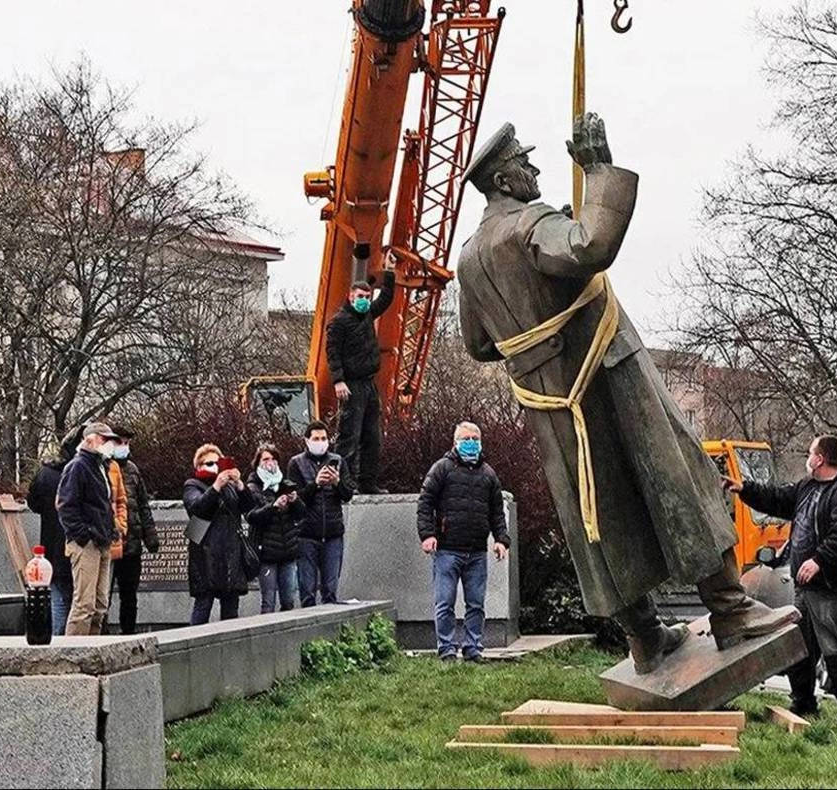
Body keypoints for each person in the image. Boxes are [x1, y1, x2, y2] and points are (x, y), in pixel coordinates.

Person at [457, 115, 794, 676]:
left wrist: (540, 347)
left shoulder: (470, 256)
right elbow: (592, 245)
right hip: (608, 374)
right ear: (503, 182)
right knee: (680, 475)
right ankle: (730, 610)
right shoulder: (529, 226)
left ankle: (645, 637)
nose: (535, 168)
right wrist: (598, 171)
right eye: (524, 161)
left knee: (595, 512)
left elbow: (478, 344)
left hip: (552, 404)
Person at [722, 435, 837, 724]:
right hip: (806, 588)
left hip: (834, 589)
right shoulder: (808, 488)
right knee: (799, 648)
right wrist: (744, 489)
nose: (808, 457)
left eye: (810, 452)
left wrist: (818, 561)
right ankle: (803, 702)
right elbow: (779, 499)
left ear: (821, 459)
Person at [416, 422, 510, 662]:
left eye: (475, 439)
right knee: (444, 602)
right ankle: (446, 649)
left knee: (476, 604)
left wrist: (502, 540)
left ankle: (473, 648)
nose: (471, 443)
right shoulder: (442, 469)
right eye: (466, 438)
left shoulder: (489, 474)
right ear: (455, 442)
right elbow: (425, 503)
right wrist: (428, 535)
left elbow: (497, 513)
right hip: (447, 550)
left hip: (477, 551)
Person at [326, 269, 395, 494]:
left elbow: (385, 300)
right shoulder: (339, 322)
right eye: (360, 297)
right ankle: (345, 484)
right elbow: (333, 353)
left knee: (372, 437)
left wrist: (390, 273)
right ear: (350, 296)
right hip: (351, 384)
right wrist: (338, 380)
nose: (365, 301)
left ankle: (368, 483)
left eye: (367, 297)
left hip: (368, 383)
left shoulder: (366, 316)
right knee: (349, 436)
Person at [56, 422, 122, 636]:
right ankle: (73, 653)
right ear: (90, 438)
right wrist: (84, 535)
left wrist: (110, 529)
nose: (108, 444)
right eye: (104, 439)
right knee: (84, 604)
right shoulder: (77, 466)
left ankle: (92, 647)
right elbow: (66, 506)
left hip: (101, 540)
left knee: (100, 604)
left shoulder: (99, 466)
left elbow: (104, 504)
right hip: (87, 543)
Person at [183, 444, 258, 624]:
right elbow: (196, 509)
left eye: (218, 462)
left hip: (230, 552)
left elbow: (250, 507)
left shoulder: (229, 487)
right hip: (205, 554)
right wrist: (216, 486)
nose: (214, 466)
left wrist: (240, 485)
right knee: (203, 604)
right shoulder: (192, 485)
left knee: (231, 606)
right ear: (199, 466)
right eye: (209, 463)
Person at [288, 422, 355, 606]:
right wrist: (316, 484)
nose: (320, 442)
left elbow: (347, 494)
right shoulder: (296, 463)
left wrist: (337, 482)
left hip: (333, 533)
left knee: (330, 589)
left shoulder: (338, 461)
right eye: (316, 439)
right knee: (307, 591)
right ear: (307, 440)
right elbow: (296, 499)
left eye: (324, 438)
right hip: (307, 534)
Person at [28, 426, 84, 635]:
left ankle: (55, 636)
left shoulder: (45, 474)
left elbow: (33, 502)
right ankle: (62, 638)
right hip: (77, 542)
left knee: (59, 596)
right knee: (73, 600)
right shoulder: (80, 471)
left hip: (52, 544)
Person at [107, 425, 159, 634]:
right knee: (104, 595)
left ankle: (128, 631)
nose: (124, 447)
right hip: (111, 542)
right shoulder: (105, 467)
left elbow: (143, 505)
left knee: (129, 595)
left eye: (127, 443)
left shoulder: (133, 470)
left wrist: (151, 535)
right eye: (120, 442)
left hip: (133, 543)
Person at [247, 444, 306, 613]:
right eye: (265, 459)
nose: (270, 463)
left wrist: (295, 500)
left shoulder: (284, 484)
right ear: (258, 463)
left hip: (287, 552)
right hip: (266, 554)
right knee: (268, 601)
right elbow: (252, 517)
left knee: (288, 600)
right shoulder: (253, 488)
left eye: (273, 459)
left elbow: (301, 513)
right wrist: (273, 507)